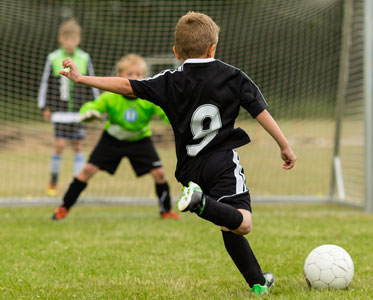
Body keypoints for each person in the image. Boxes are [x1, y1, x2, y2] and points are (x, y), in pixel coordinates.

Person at [59, 11, 296, 295]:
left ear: (175, 51)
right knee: (242, 222)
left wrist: (82, 78)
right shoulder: (233, 76)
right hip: (221, 162)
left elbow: (125, 85)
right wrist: (284, 145)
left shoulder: (169, 80)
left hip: (189, 169)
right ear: (213, 47)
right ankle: (200, 203)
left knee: (227, 223)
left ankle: (258, 283)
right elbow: (260, 112)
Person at [52, 54, 179, 221]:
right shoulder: (110, 96)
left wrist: (177, 121)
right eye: (130, 74)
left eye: (139, 74)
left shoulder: (149, 98)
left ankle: (165, 211)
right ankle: (64, 207)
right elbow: (91, 107)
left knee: (159, 174)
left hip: (140, 140)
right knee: (87, 171)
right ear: (119, 77)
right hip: (112, 139)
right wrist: (88, 113)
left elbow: (167, 113)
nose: (135, 78)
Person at [38, 18, 99, 196]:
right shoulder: (53, 58)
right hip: (59, 112)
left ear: (78, 40)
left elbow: (92, 83)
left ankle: (75, 184)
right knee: (60, 145)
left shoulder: (84, 58)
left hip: (79, 113)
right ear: (60, 39)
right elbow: (45, 83)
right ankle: (53, 181)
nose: (70, 43)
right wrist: (45, 107)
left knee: (78, 146)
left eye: (73, 39)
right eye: (67, 39)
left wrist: (94, 106)